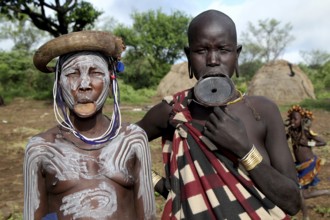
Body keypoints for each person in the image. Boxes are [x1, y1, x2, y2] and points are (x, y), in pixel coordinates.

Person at [137, 9, 301, 219]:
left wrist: (244, 150)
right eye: (201, 50)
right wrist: (160, 185)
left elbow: (293, 202)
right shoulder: (174, 111)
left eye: (223, 49)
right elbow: (120, 146)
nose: (213, 60)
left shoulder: (263, 111)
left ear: (237, 54)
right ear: (188, 56)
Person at [24, 31, 156, 220]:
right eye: (72, 74)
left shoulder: (133, 139)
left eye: (95, 73)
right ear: (59, 84)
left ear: (111, 82)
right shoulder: (40, 149)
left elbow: (148, 216)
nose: (84, 84)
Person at [285, 105, 329, 219]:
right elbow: (282, 139)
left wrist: (309, 144)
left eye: (296, 119)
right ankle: (327, 192)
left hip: (310, 163)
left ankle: (306, 217)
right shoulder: (291, 131)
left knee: (299, 192)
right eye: (291, 119)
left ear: (302, 120)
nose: (293, 121)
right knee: (304, 194)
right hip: (299, 166)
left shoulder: (306, 132)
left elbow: (323, 142)